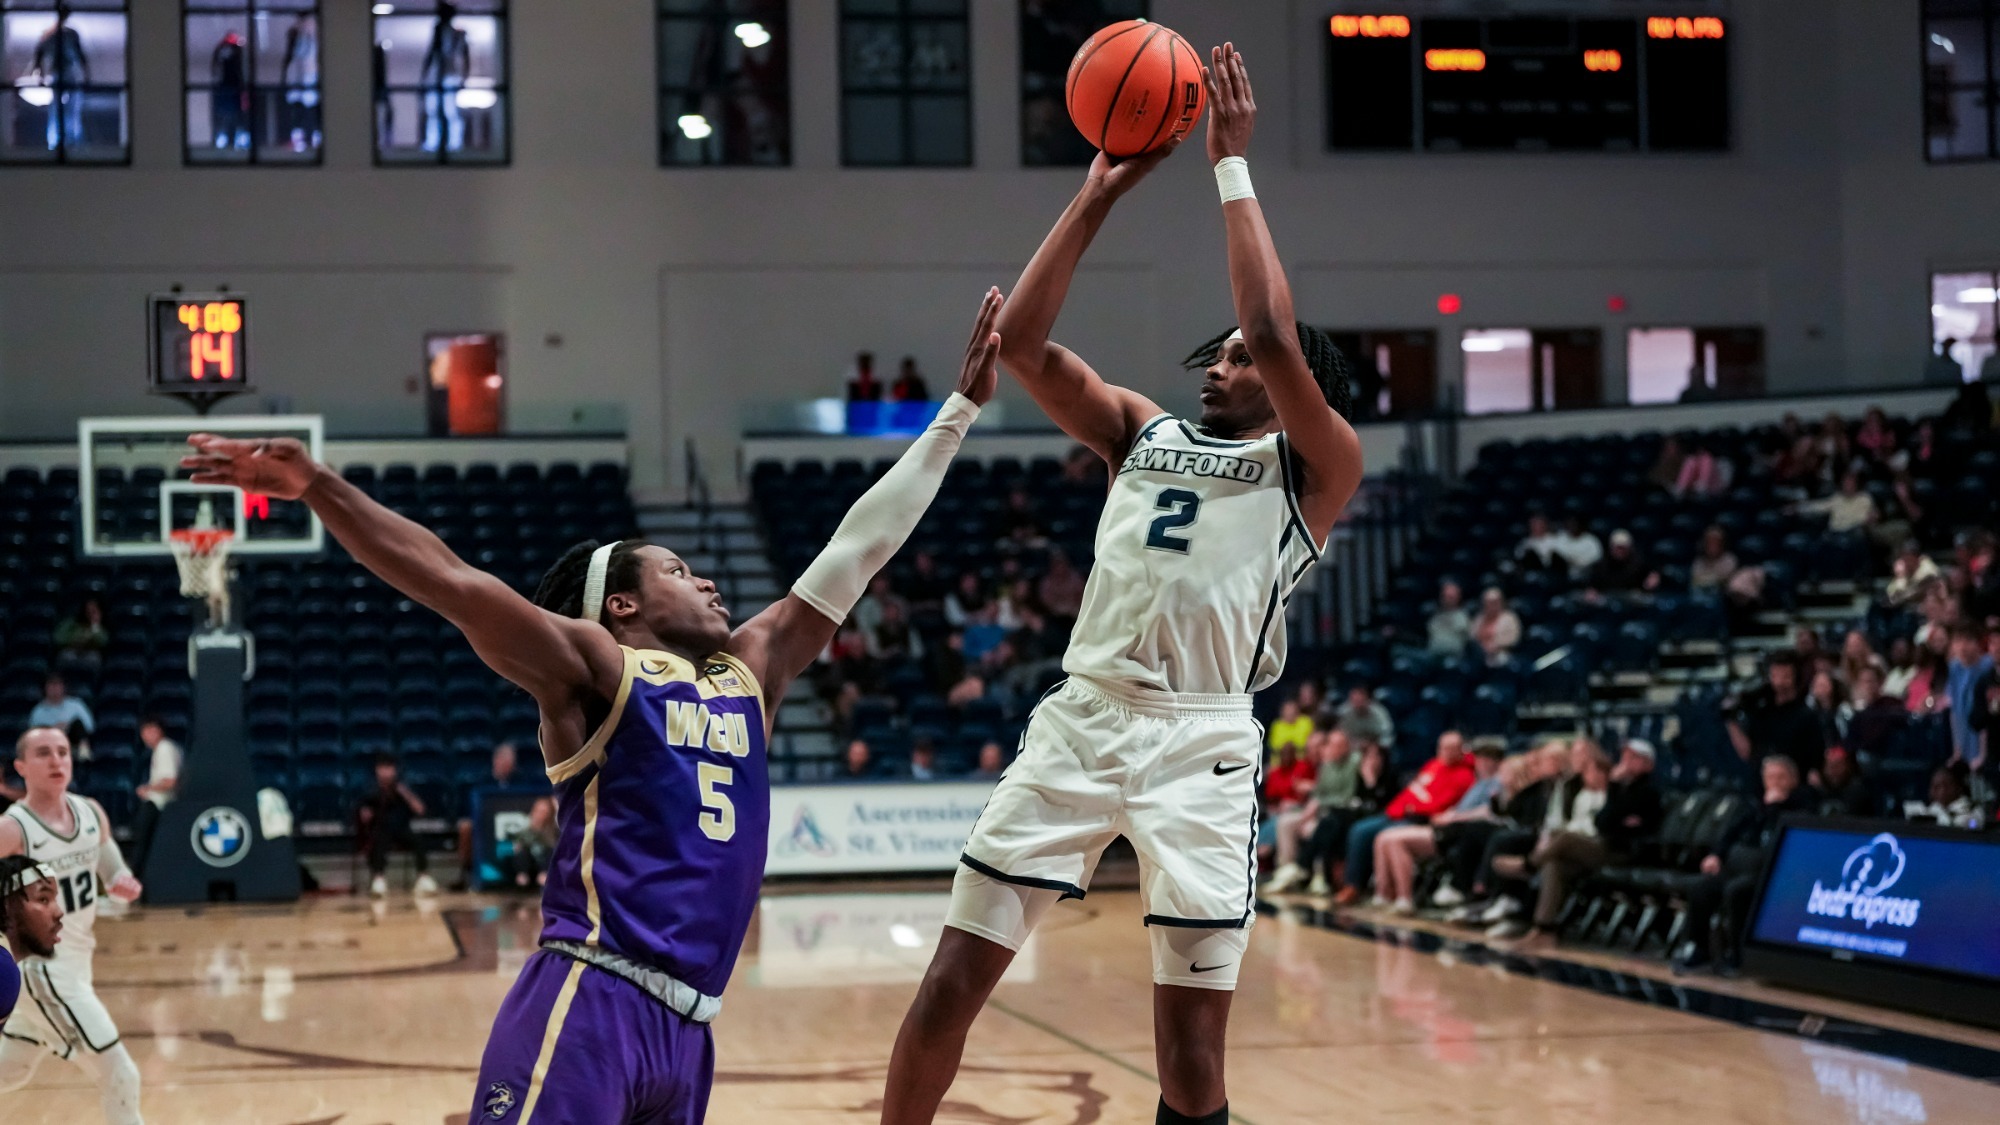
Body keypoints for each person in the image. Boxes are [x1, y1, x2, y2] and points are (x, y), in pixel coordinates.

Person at [181, 288, 1004, 1123]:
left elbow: (858, 547)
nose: (708, 580)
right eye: (679, 571)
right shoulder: (598, 669)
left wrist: (957, 415)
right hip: (590, 1000)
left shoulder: (749, 674)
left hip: (691, 1033)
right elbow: (452, 582)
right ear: (622, 606)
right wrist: (320, 486)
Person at [881, 48, 1368, 1125]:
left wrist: (1229, 169)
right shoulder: (1139, 430)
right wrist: (1093, 193)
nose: (1219, 365)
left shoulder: (1312, 468)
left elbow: (1281, 333)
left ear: (1296, 394)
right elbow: (1022, 344)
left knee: (1192, 1067)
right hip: (1084, 718)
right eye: (1216, 355)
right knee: (946, 991)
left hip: (1201, 745)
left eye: (1237, 360)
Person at [0, 728, 144, 1124]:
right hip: (42, 971)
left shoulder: (90, 812)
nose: (56, 760)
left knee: (10, 1072)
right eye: (43, 753)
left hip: (78, 961)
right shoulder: (13, 829)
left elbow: (106, 856)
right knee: (120, 1074)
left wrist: (119, 879)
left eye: (62, 752)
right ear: (21, 767)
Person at [1675, 756, 1817, 976]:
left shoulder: (1802, 805)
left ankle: (1738, 954)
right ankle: (1699, 949)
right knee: (1701, 887)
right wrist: (1716, 856)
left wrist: (1775, 807)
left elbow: (1783, 837)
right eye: (1770, 777)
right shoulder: (1753, 804)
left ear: (1793, 780)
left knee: (1737, 892)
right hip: (1737, 867)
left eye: (1781, 777)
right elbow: (1730, 834)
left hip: (1770, 873)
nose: (1775, 782)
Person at [1334, 731, 1475, 906]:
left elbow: (1440, 806)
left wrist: (1411, 808)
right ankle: (1363, 888)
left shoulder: (1464, 776)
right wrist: (1397, 808)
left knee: (1384, 835)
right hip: (1399, 812)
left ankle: (1393, 892)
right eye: (1442, 747)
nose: (1444, 751)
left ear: (1460, 750)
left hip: (1420, 818)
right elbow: (1412, 791)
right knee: (1359, 829)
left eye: (1450, 748)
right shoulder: (1433, 765)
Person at [1368, 739, 1506, 913]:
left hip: (1458, 832)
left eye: (1488, 759)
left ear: (1498, 762)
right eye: (1480, 758)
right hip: (1448, 826)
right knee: (1383, 837)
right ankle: (1383, 894)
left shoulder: (1495, 783)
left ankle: (1405, 898)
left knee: (1395, 841)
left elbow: (1489, 812)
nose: (1482, 763)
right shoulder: (1477, 783)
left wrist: (1453, 816)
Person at [451, 741, 535, 891]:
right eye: (503, 761)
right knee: (465, 828)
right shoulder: (482, 782)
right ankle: (466, 874)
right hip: (486, 825)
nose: (507, 765)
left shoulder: (521, 781)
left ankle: (532, 874)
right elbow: (470, 809)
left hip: (516, 826)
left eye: (510, 762)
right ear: (495, 761)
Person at [1728, 654, 1826, 780]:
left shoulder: (1807, 716)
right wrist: (1730, 720)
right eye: (1775, 675)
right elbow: (1748, 752)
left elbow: (1815, 757)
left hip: (1795, 782)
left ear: (1795, 677)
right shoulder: (1761, 712)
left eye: (1785, 676)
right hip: (1762, 779)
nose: (1779, 682)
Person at [358, 754, 435, 898]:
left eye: (389, 768)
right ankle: (378, 880)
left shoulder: (404, 787)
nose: (386, 772)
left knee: (418, 840)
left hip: (402, 829)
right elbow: (363, 815)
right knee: (378, 842)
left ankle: (423, 878)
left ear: (395, 770)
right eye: (383, 768)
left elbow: (420, 809)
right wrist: (366, 814)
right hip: (381, 829)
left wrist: (405, 793)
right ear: (377, 770)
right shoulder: (370, 790)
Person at [2, 855, 66, 1025]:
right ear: (8, 906)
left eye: (55, 899)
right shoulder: (3, 972)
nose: (59, 912)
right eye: (43, 899)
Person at [127, 716, 184, 878]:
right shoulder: (167, 748)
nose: (144, 735)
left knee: (142, 843)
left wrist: (147, 788)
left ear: (157, 730)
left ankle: (135, 877)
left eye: (147, 731)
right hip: (161, 804)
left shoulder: (165, 748)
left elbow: (170, 781)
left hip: (158, 804)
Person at [420, 0, 471, 153]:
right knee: (433, 109)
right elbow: (431, 52)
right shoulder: (438, 30)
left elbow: (465, 56)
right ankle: (433, 141)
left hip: (449, 75)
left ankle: (454, 142)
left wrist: (464, 77)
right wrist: (425, 75)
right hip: (438, 75)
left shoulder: (458, 34)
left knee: (450, 110)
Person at [25, 674, 92, 749]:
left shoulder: (76, 705)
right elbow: (32, 736)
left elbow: (89, 727)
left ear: (63, 687)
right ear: (45, 688)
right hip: (50, 745)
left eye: (58, 685)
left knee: (78, 725)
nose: (55, 689)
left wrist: (68, 726)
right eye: (51, 685)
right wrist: (54, 730)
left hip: (74, 744)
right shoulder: (38, 711)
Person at [1588, 530, 1657, 595]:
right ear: (1611, 547)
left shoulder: (1639, 563)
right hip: (1607, 599)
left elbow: (1654, 572)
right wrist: (1592, 592)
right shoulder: (1600, 565)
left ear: (1629, 548)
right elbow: (1593, 586)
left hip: (1632, 600)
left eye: (1623, 548)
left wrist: (1654, 576)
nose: (1620, 551)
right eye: (1617, 547)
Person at [1816, 747, 1879, 817]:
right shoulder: (1815, 792)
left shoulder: (1858, 793)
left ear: (1847, 767)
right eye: (1830, 767)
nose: (1833, 771)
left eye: (1837, 766)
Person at [52, 598, 109, 676]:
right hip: (71, 652)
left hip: (89, 654)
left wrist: (95, 625)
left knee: (95, 658)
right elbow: (58, 638)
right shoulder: (70, 623)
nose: (90, 613)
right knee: (64, 656)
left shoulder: (98, 627)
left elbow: (103, 642)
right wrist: (75, 641)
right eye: (88, 610)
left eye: (93, 611)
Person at [1334, 685, 1394, 754]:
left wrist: (1376, 746)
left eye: (1359, 699)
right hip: (1350, 748)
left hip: (1374, 749)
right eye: (1353, 699)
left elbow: (1387, 736)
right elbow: (1338, 734)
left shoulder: (1379, 713)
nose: (1356, 702)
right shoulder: (1343, 712)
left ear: (1368, 700)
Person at [1473, 588, 1521, 666]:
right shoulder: (1479, 618)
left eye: (1495, 602)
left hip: (1501, 653)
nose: (1491, 605)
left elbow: (1514, 638)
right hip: (1480, 653)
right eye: (1488, 602)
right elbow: (1473, 636)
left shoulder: (1509, 618)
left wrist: (1496, 645)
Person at [1426, 581, 1471, 656]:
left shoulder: (1462, 617)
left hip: (1453, 658)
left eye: (1451, 597)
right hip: (1433, 655)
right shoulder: (1436, 616)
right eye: (1444, 596)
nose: (1447, 600)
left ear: (1458, 598)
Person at [1265, 698, 1312, 762]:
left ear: (1297, 711)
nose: (1290, 713)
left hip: (1301, 761)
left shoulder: (1306, 722)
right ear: (1282, 712)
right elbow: (1275, 747)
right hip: (1280, 764)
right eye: (1287, 710)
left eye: (1292, 710)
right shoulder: (1277, 725)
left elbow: (1307, 745)